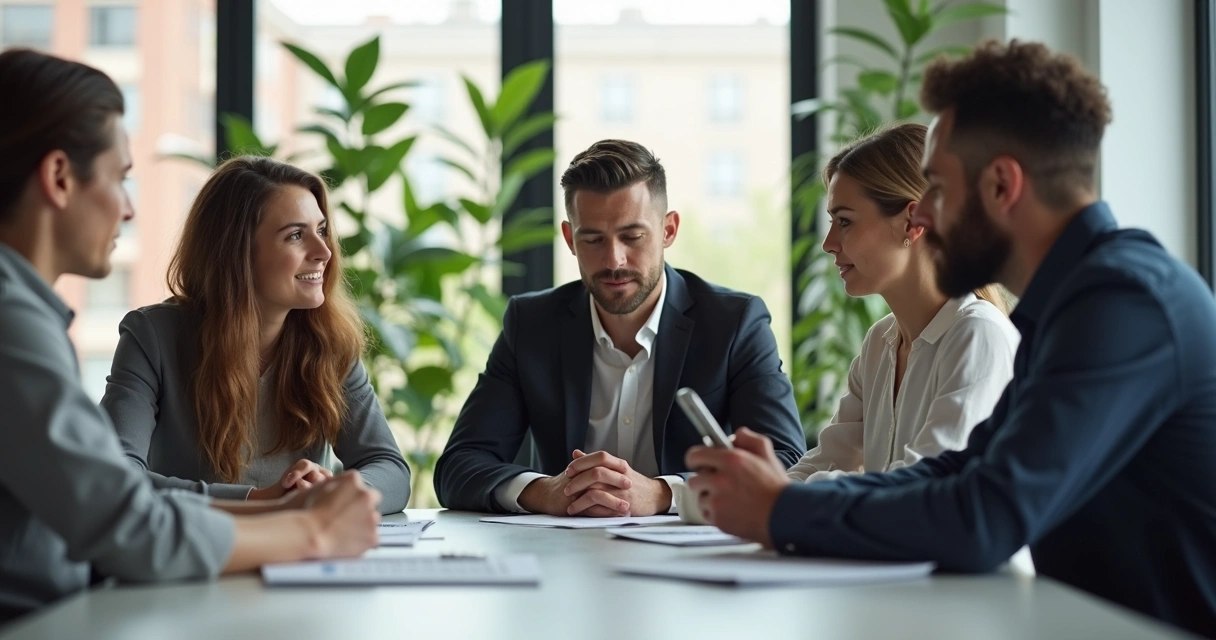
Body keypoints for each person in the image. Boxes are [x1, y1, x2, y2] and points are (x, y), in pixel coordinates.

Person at [686, 40, 1216, 637]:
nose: (925, 217)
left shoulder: (1123, 302)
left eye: (936, 187)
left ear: (1000, 185)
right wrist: (778, 497)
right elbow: (963, 470)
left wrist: (784, 508)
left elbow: (986, 515)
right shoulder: (1071, 304)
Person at [0, 48, 381, 625]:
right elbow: (126, 522)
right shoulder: (15, 322)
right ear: (58, 178)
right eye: (120, 179)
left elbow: (105, 510)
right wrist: (309, 527)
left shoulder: (25, 312)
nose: (128, 210)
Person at [434, 139, 806, 516]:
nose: (614, 260)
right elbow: (459, 466)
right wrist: (544, 491)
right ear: (569, 239)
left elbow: (787, 461)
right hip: (566, 558)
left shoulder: (734, 323)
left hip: (692, 561)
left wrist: (664, 494)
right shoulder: (531, 324)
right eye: (593, 239)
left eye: (632, 236)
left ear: (669, 230)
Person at [100, 156, 410, 514]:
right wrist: (257, 500)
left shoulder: (329, 342)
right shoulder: (151, 338)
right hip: (191, 558)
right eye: (296, 235)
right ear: (237, 252)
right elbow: (116, 475)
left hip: (300, 557)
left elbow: (392, 471)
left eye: (322, 230)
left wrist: (333, 490)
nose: (324, 252)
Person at [787, 122, 1018, 482]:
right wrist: (757, 492)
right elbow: (828, 460)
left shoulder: (977, 335)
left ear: (912, 221)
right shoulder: (880, 343)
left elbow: (923, 486)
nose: (828, 243)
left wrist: (784, 496)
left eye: (844, 221)